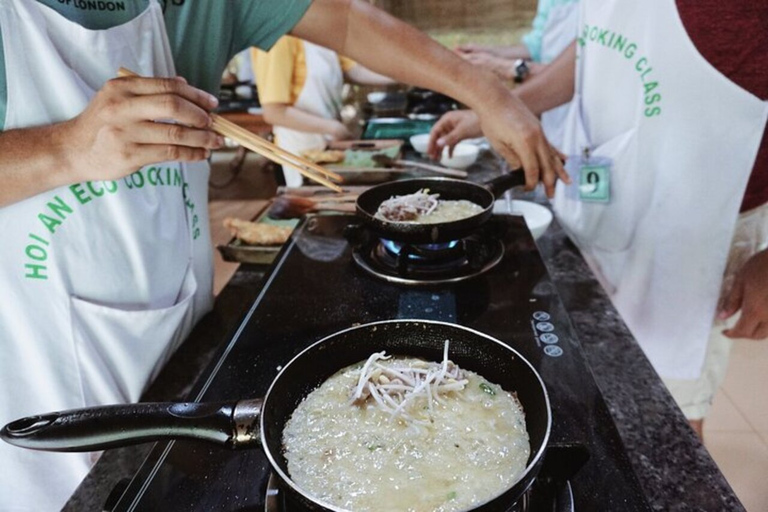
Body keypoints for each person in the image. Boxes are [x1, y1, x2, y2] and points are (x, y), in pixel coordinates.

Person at [0, 1, 567, 510]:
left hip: (181, 311)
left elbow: (343, 18)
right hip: (44, 344)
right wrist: (65, 146)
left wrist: (492, 95)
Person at [429, 0, 768, 439]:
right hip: (605, 206)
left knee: (667, 421)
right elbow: (592, 52)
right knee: (599, 394)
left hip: (701, 232)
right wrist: (494, 111)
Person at [252, 36, 393, 187]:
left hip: (329, 146)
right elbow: (274, 112)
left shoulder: (321, 35)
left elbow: (354, 71)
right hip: (299, 150)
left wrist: (408, 75)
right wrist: (332, 127)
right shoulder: (278, 40)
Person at [457, 0, 579, 149]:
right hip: (554, 119)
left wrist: (509, 68)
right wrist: (489, 53)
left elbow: (577, 75)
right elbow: (536, 46)